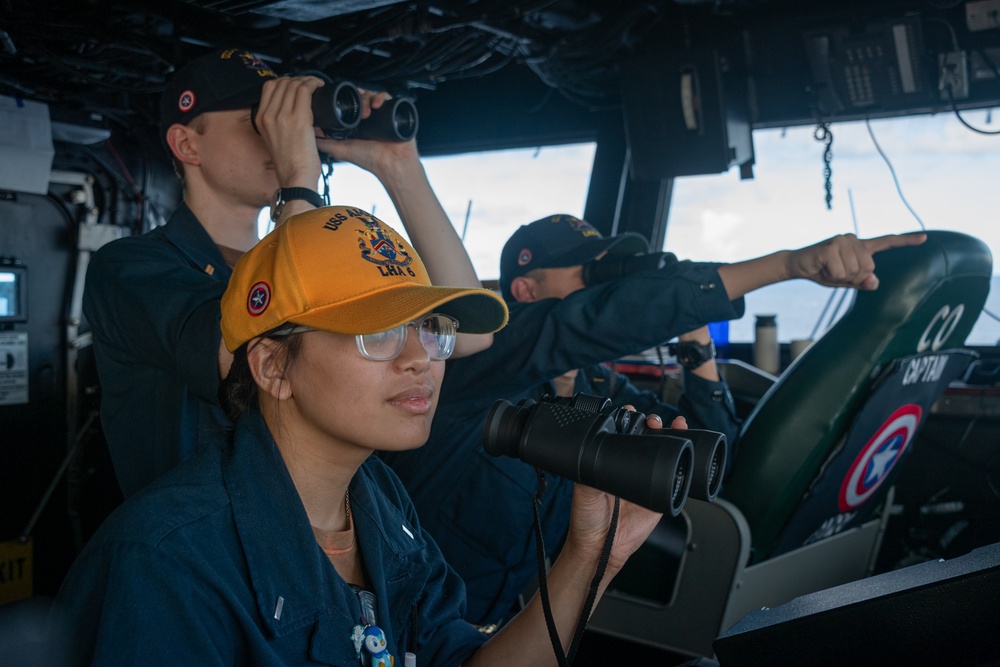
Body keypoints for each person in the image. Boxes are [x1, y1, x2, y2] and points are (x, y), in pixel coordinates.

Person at [52, 206, 670, 666]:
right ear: (273, 367)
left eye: (432, 329)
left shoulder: (378, 503)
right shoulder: (166, 561)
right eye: (378, 333)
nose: (420, 359)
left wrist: (595, 553)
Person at [383, 213, 927, 627]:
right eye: (591, 273)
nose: (606, 289)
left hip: (504, 625)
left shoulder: (602, 391)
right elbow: (587, 323)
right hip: (405, 616)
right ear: (526, 291)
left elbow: (710, 462)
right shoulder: (477, 370)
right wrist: (785, 266)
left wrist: (697, 345)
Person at [83, 48, 491, 499]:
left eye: (290, 119)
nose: (282, 133)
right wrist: (298, 178)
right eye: (261, 120)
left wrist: (400, 169)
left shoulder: (311, 262)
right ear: (187, 145)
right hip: (202, 550)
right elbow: (255, 352)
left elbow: (469, 334)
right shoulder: (129, 266)